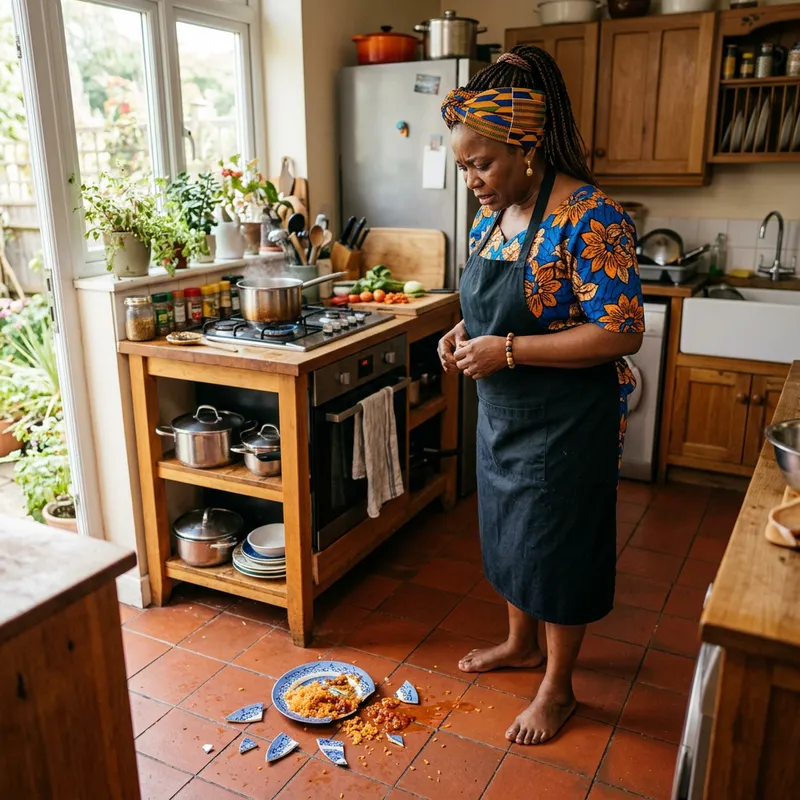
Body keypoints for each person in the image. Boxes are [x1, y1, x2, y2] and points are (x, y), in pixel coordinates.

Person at [437, 46, 644, 746]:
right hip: (503, 416)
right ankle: (519, 644)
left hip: (567, 422)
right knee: (509, 534)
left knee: (558, 549)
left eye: (482, 164)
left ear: (526, 148)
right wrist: (464, 334)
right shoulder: (492, 218)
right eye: (463, 168)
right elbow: (491, 309)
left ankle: (558, 686)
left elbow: (620, 330)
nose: (473, 182)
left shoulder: (590, 216)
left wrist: (509, 350)